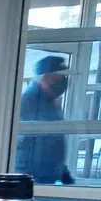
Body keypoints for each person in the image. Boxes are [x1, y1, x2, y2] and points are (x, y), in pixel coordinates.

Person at [15, 55, 75, 185]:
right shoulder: (29, 103)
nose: (63, 81)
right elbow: (26, 147)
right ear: (46, 78)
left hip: (48, 178)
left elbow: (52, 143)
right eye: (59, 77)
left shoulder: (50, 102)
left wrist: (63, 172)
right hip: (32, 180)